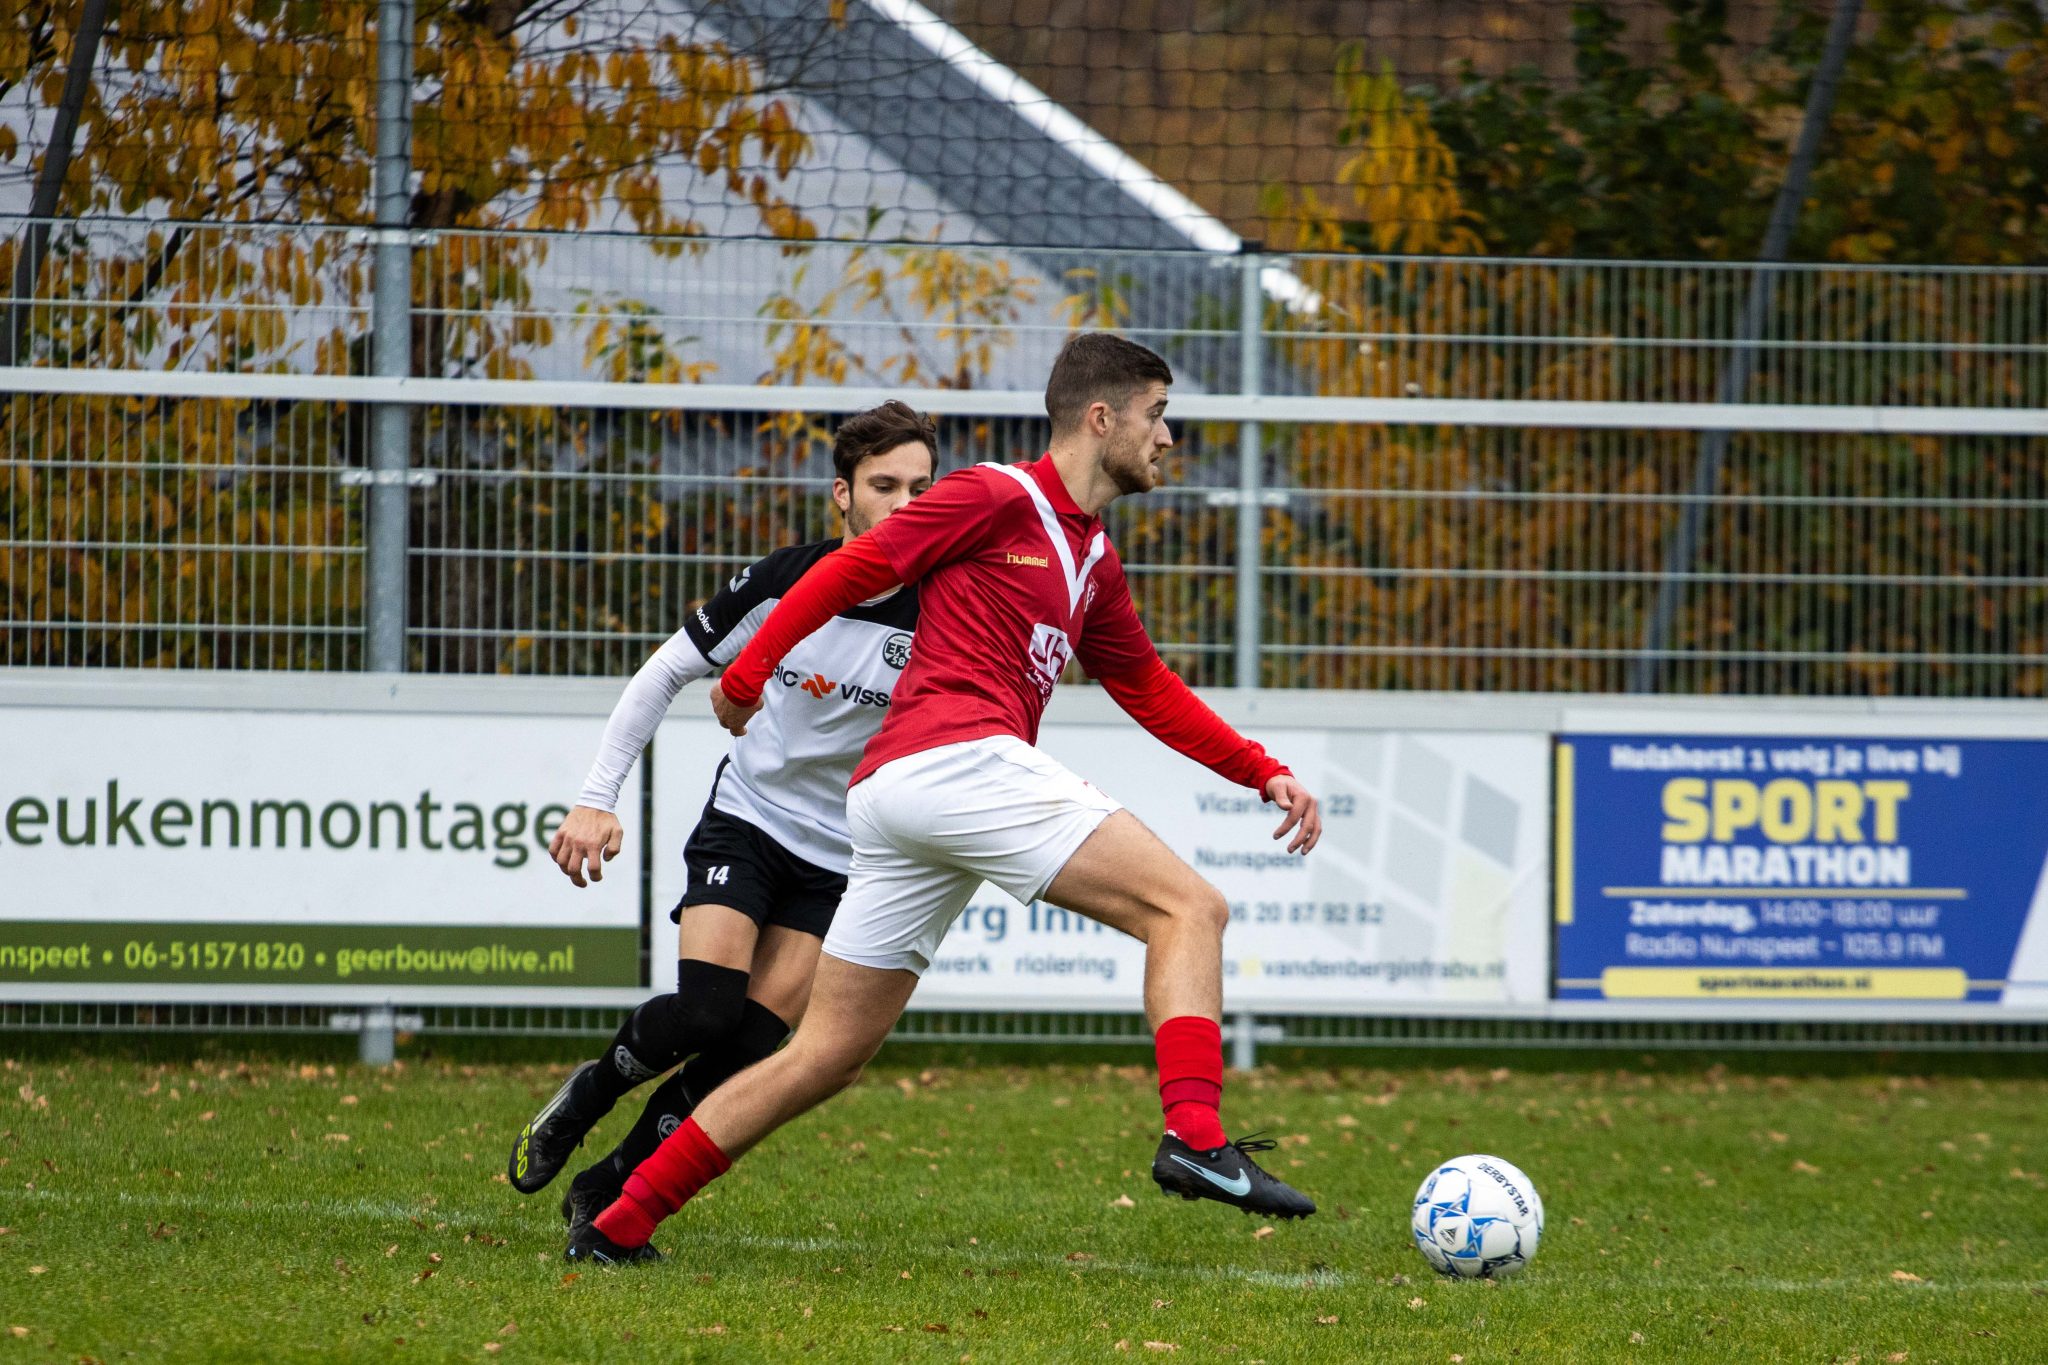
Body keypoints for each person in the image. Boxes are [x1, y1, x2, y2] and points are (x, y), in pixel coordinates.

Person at [569, 332, 1324, 1265]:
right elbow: (853, 567)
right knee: (1191, 907)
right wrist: (753, 668)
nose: (1168, 439)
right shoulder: (994, 494)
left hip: (899, 798)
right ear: (1103, 417)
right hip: (954, 763)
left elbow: (1150, 689)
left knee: (821, 1056)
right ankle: (1198, 1140)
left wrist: (1260, 767)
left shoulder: (1093, 561)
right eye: (1158, 415)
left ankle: (619, 1221)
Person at [509, 400, 937, 1251]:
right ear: (842, 496)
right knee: (706, 1010)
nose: (904, 503)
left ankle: (613, 1184)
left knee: (748, 1046)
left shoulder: (942, 610)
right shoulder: (788, 579)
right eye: (884, 485)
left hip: (839, 857)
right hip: (748, 820)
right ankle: (589, 1093)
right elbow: (666, 670)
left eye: (921, 487)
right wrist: (598, 797)